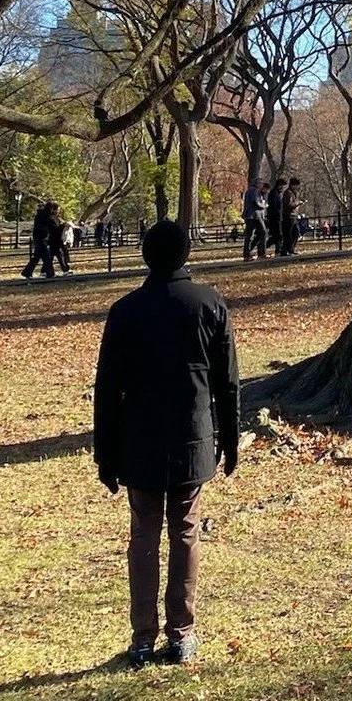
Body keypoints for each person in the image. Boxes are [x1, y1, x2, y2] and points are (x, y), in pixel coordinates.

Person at [93, 219, 241, 669]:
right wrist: (230, 439)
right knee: (185, 530)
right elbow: (228, 382)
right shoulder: (209, 304)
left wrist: (105, 450)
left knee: (143, 535)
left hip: (138, 440)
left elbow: (107, 387)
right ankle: (181, 633)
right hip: (192, 437)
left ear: (144, 255)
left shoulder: (126, 311)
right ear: (186, 254)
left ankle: (142, 638)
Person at [23, 202, 55, 281]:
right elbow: (51, 226)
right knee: (46, 256)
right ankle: (50, 273)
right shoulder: (46, 216)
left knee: (37, 257)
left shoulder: (40, 215)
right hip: (41, 238)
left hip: (38, 237)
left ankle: (27, 272)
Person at [242, 176, 268, 260]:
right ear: (257, 183)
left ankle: (251, 253)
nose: (262, 185)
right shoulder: (254, 190)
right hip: (254, 215)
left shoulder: (253, 191)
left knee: (257, 234)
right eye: (261, 183)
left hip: (254, 215)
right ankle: (258, 253)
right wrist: (264, 206)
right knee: (260, 232)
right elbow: (257, 202)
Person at [281, 178, 301, 257]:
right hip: (288, 215)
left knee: (295, 232)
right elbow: (289, 205)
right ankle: (286, 250)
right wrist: (297, 204)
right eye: (296, 185)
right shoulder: (288, 193)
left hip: (294, 215)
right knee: (288, 234)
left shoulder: (294, 193)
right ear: (292, 185)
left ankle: (291, 249)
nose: (297, 187)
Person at [266, 178, 285, 256]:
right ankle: (277, 250)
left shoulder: (277, 193)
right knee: (278, 235)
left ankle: (277, 249)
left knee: (277, 235)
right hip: (274, 217)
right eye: (282, 186)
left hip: (277, 217)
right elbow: (274, 206)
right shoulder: (274, 194)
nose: (282, 188)